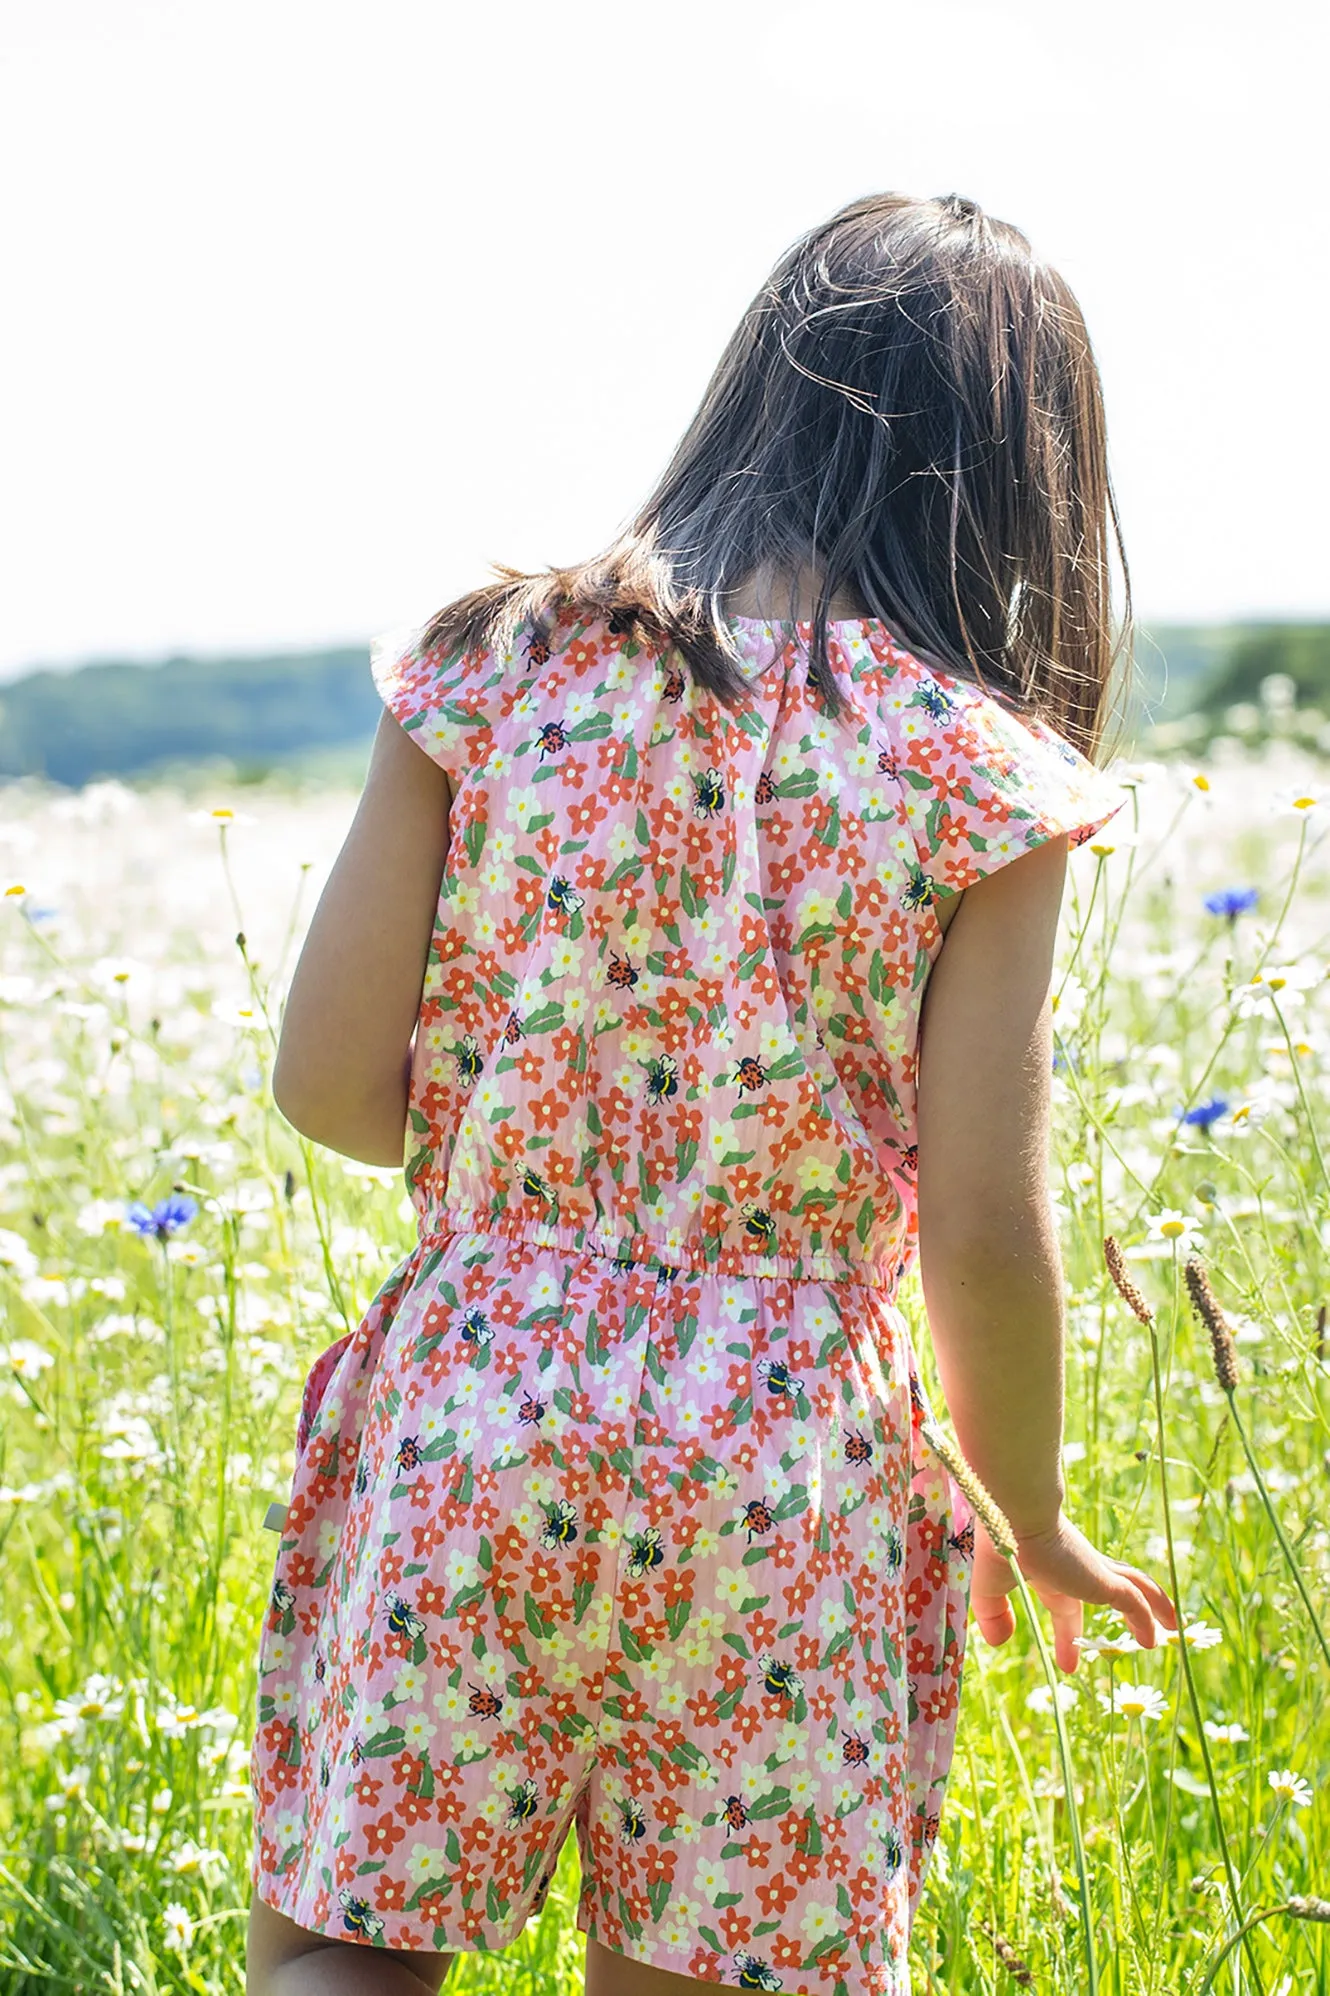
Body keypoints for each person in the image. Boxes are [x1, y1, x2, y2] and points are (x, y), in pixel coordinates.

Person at [245, 190, 1176, 1996]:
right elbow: (982, 1221)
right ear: (1028, 486)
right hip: (782, 1463)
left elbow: (329, 1089)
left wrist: (530, 1188)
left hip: (475, 1403)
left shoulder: (491, 661)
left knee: (343, 1958)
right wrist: (1031, 1506)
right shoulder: (982, 779)